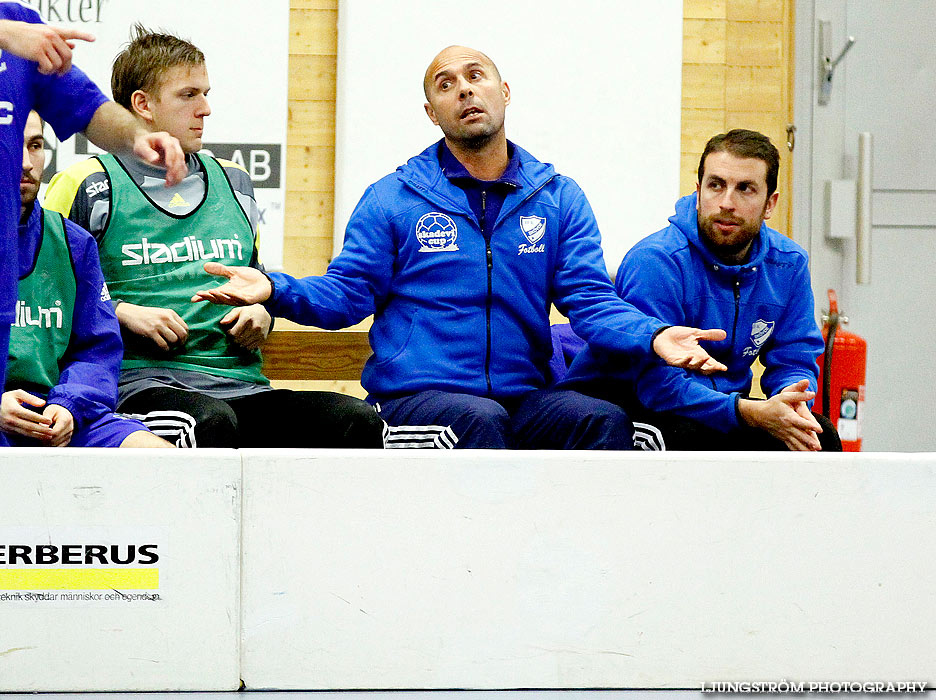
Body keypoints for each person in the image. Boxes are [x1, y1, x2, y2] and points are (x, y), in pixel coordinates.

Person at [191, 45, 728, 450]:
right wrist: (273, 289)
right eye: (446, 84)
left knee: (599, 419)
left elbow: (590, 300)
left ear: (504, 92)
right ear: (432, 112)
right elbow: (347, 295)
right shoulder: (394, 198)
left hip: (522, 395)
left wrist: (654, 335)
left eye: (476, 77)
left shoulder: (558, 196)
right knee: (478, 420)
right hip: (418, 396)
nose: (465, 90)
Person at [45, 26, 384, 449]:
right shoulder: (87, 184)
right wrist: (122, 312)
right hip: (136, 383)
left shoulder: (236, 182)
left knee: (354, 421)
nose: (205, 108)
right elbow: (47, 299)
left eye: (205, 93)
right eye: (189, 95)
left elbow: (253, 283)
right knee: (210, 424)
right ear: (143, 104)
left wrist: (263, 315)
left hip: (242, 384)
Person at [561, 129, 841, 452]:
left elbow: (794, 357)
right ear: (698, 192)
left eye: (745, 189)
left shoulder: (788, 265)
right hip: (632, 404)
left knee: (819, 437)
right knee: (689, 438)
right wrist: (747, 412)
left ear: (770, 204)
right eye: (716, 185)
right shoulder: (655, 261)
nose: (726, 203)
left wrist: (793, 402)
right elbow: (658, 387)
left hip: (723, 408)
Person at [0, 4, 184, 446]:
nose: (26, 163)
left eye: (36, 146)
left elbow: (88, 107)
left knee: (160, 460)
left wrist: (137, 137)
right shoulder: (14, 33)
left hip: (49, 411)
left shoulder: (24, 28)